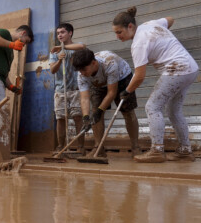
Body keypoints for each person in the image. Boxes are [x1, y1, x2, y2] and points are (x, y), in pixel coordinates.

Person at [113, 6, 199, 163]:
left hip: (176, 70)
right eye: (116, 33)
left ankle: (157, 150)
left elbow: (139, 76)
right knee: (174, 110)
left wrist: (127, 91)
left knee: (152, 107)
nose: (118, 36)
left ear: (130, 26)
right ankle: (185, 150)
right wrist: (161, 37)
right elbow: (170, 19)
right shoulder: (151, 24)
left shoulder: (138, 43)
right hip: (190, 68)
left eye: (119, 32)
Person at [72, 48, 141, 157]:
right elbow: (84, 98)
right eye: (80, 70)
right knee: (95, 112)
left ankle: (135, 147)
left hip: (122, 77)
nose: (82, 73)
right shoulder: (82, 74)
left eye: (84, 70)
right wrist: (86, 117)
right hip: (99, 83)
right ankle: (98, 148)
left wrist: (100, 110)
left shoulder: (109, 63)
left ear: (93, 63)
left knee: (127, 112)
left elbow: (112, 93)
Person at [49, 23, 86, 153]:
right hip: (60, 90)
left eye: (63, 32)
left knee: (77, 117)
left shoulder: (75, 48)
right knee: (60, 118)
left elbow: (82, 46)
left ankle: (81, 147)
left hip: (76, 89)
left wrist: (62, 47)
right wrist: (59, 59)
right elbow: (53, 70)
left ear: (70, 33)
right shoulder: (54, 52)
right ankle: (61, 146)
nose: (60, 35)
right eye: (58, 33)